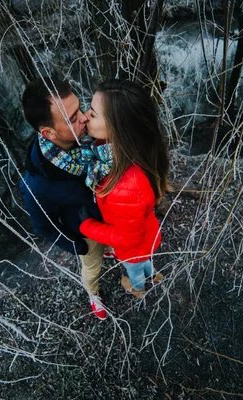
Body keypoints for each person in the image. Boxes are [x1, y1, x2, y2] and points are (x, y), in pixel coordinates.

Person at [20, 77, 108, 320]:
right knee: (92, 266)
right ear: (48, 133)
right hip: (87, 233)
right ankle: (93, 294)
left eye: (80, 107)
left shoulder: (90, 138)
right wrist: (76, 245)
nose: (84, 117)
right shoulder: (37, 186)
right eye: (71, 118)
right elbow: (44, 227)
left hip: (108, 216)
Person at [79, 79, 169, 299]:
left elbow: (127, 238)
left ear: (118, 128)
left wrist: (87, 225)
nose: (84, 117)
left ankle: (138, 288)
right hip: (147, 235)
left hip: (133, 247)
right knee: (145, 261)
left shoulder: (125, 186)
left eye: (92, 113)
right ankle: (153, 275)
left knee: (134, 269)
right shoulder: (128, 155)